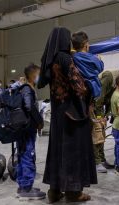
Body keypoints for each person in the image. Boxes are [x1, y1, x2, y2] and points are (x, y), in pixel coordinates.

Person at [39, 27, 97, 203]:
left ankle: (54, 191)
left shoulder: (50, 60)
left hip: (57, 115)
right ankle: (73, 193)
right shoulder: (65, 58)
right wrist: (91, 89)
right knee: (73, 152)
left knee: (57, 152)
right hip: (72, 116)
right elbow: (78, 85)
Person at [15, 64, 46, 200]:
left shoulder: (24, 88)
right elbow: (29, 106)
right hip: (27, 130)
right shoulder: (27, 89)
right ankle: (27, 188)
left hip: (23, 129)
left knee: (22, 155)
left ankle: (23, 186)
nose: (40, 77)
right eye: (39, 74)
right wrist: (39, 121)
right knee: (28, 155)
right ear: (33, 76)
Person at [72, 31, 104, 99]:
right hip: (94, 88)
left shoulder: (73, 57)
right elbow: (101, 68)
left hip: (81, 88)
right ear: (85, 44)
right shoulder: (92, 57)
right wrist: (99, 59)